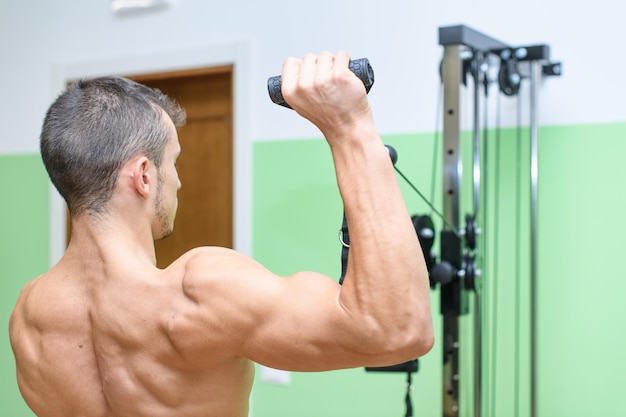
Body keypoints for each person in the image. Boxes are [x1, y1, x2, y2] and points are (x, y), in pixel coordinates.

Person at [9, 51, 434, 417]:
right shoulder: (198, 292)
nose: (177, 182)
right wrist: (350, 128)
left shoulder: (30, 315)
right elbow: (398, 332)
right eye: (172, 163)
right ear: (143, 176)